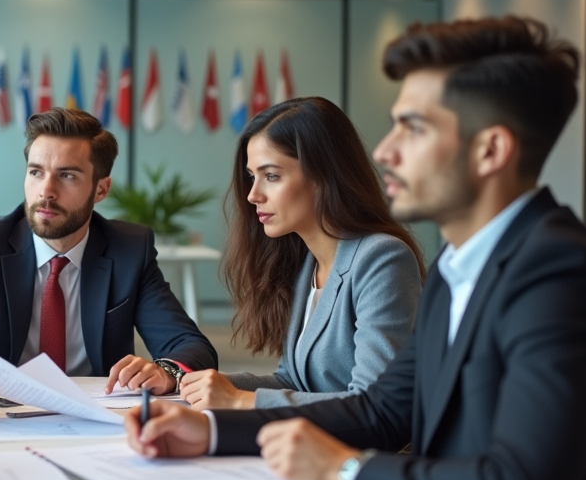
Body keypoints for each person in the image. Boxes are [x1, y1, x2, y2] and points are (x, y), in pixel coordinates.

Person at [125, 16, 586, 480]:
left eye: (413, 129)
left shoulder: (561, 278)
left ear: (490, 149)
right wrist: (212, 433)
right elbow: (381, 411)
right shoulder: (457, 267)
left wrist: (346, 471)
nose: (385, 150)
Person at [0, 108, 217, 394]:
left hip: (95, 416)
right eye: (36, 172)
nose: (46, 191)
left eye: (67, 175)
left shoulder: (129, 251)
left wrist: (165, 371)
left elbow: (190, 346)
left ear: (100, 189)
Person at [180, 97, 425, 410]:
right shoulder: (306, 263)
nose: (253, 195)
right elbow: (292, 382)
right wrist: (189, 382)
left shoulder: (382, 259)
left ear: (323, 176)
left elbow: (374, 404)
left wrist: (239, 400)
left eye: (271, 176)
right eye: (252, 176)